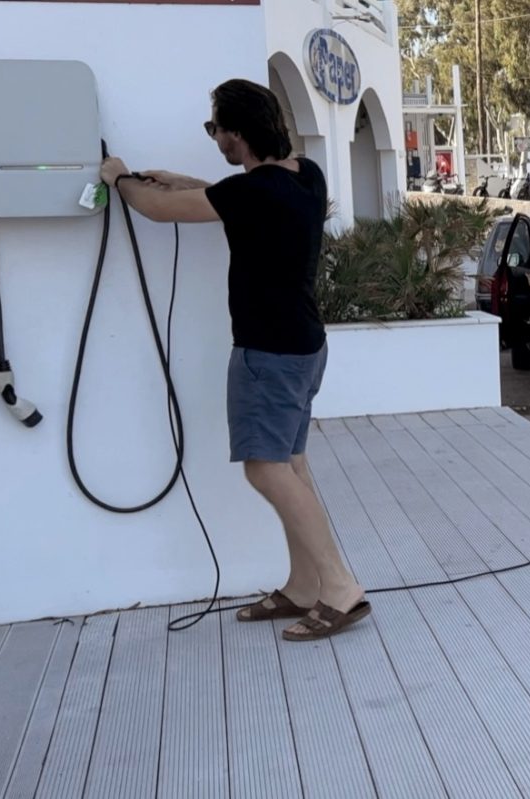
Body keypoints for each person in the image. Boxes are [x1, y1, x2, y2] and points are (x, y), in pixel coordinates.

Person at [99, 78, 370, 642]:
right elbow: (235, 195)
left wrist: (119, 176)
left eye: (215, 129)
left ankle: (340, 587)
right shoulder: (304, 176)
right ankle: (302, 586)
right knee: (290, 464)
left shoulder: (252, 193)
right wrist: (184, 180)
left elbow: (154, 209)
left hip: (267, 353)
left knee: (265, 468)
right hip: (305, 346)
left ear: (237, 134)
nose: (214, 138)